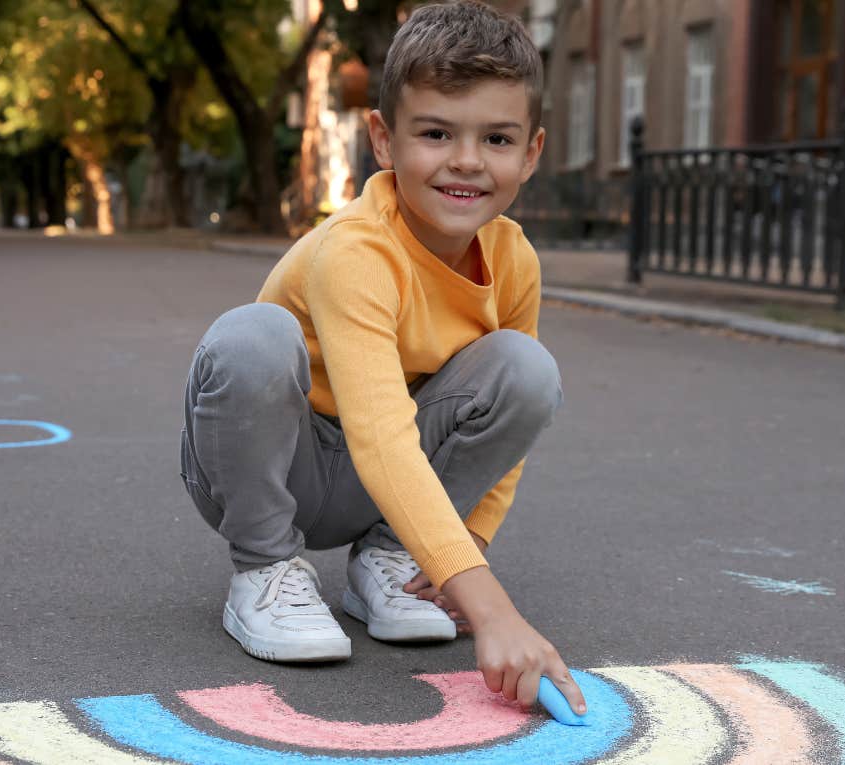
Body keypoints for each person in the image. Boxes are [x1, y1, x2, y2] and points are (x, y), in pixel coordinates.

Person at [178, 0, 586, 715]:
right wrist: (489, 605)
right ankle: (264, 570)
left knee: (527, 369)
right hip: (278, 461)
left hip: (381, 486)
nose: (466, 160)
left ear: (531, 152)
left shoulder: (514, 259)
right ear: (384, 139)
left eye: (496, 137)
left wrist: (456, 552)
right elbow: (378, 430)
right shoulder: (357, 251)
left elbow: (503, 427)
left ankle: (392, 562)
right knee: (253, 337)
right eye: (435, 132)